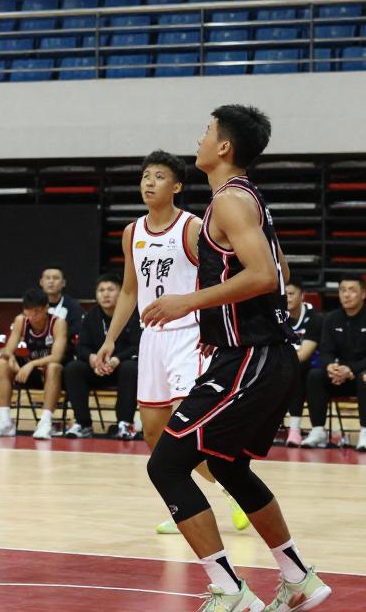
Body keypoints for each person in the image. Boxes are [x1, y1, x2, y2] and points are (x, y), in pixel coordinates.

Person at [141, 105, 330, 612]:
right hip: (256, 354)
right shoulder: (243, 198)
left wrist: (188, 303)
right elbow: (279, 266)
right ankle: (298, 578)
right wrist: (220, 326)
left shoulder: (229, 200)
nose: (199, 139)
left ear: (224, 147)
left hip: (252, 360)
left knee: (167, 466)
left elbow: (265, 275)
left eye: (206, 131)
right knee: (228, 467)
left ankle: (229, 590)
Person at [95, 150, 250, 536]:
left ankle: (236, 488)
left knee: (189, 432)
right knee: (154, 434)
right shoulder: (132, 232)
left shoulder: (193, 228)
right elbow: (129, 291)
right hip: (151, 340)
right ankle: (187, 503)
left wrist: (214, 330)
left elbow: (217, 282)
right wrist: (110, 339)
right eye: (145, 176)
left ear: (177, 186)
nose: (149, 182)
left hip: (188, 337)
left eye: (159, 176)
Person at [301, 273, 366, 453]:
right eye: (342, 290)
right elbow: (325, 352)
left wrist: (351, 370)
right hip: (339, 377)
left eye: (352, 290)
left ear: (363, 294)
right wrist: (331, 366)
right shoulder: (331, 318)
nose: (346, 295)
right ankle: (318, 431)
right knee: (315, 375)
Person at [0, 287, 67, 440]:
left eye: (37, 311)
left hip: (53, 373)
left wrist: (31, 364)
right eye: (28, 311)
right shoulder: (21, 320)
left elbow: (57, 356)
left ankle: (45, 423)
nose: (32, 316)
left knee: (54, 367)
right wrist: (11, 358)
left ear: (46, 308)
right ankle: (5, 421)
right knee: (2, 363)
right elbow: (8, 350)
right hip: (31, 371)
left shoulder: (58, 323)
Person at [63, 273, 140, 439]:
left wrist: (117, 359)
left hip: (122, 367)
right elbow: (81, 347)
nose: (105, 294)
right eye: (101, 290)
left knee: (130, 368)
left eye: (111, 289)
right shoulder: (90, 316)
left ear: (121, 292)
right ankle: (83, 423)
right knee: (73, 368)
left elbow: (138, 346)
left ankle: (125, 424)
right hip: (98, 368)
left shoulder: (132, 314)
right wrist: (92, 359)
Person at [283, 278, 322, 447]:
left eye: (291, 294)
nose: (287, 298)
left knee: (296, 370)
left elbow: (305, 354)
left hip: (312, 365)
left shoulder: (314, 318)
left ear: (302, 296)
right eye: (284, 294)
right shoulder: (278, 317)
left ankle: (294, 429)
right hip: (286, 364)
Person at [39, 265, 84, 342]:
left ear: (63, 283)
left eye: (55, 278)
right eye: (47, 278)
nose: (51, 281)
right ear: (41, 282)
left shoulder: (74, 307)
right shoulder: (33, 304)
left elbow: (76, 330)